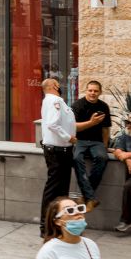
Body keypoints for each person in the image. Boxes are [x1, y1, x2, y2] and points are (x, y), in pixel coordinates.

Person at [40, 77, 78, 237]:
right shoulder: (54, 100)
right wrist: (67, 137)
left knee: (61, 189)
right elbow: (53, 124)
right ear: (54, 86)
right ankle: (46, 226)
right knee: (55, 189)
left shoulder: (51, 101)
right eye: (58, 84)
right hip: (58, 150)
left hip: (61, 150)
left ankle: (58, 223)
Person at [71, 81, 111, 210]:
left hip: (96, 141)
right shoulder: (77, 105)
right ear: (86, 90)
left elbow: (105, 128)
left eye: (95, 91)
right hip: (80, 140)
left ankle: (86, 196)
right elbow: (74, 127)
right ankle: (91, 198)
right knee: (76, 158)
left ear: (100, 92)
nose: (92, 93)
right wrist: (92, 122)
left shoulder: (104, 106)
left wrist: (105, 146)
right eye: (90, 90)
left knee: (102, 158)